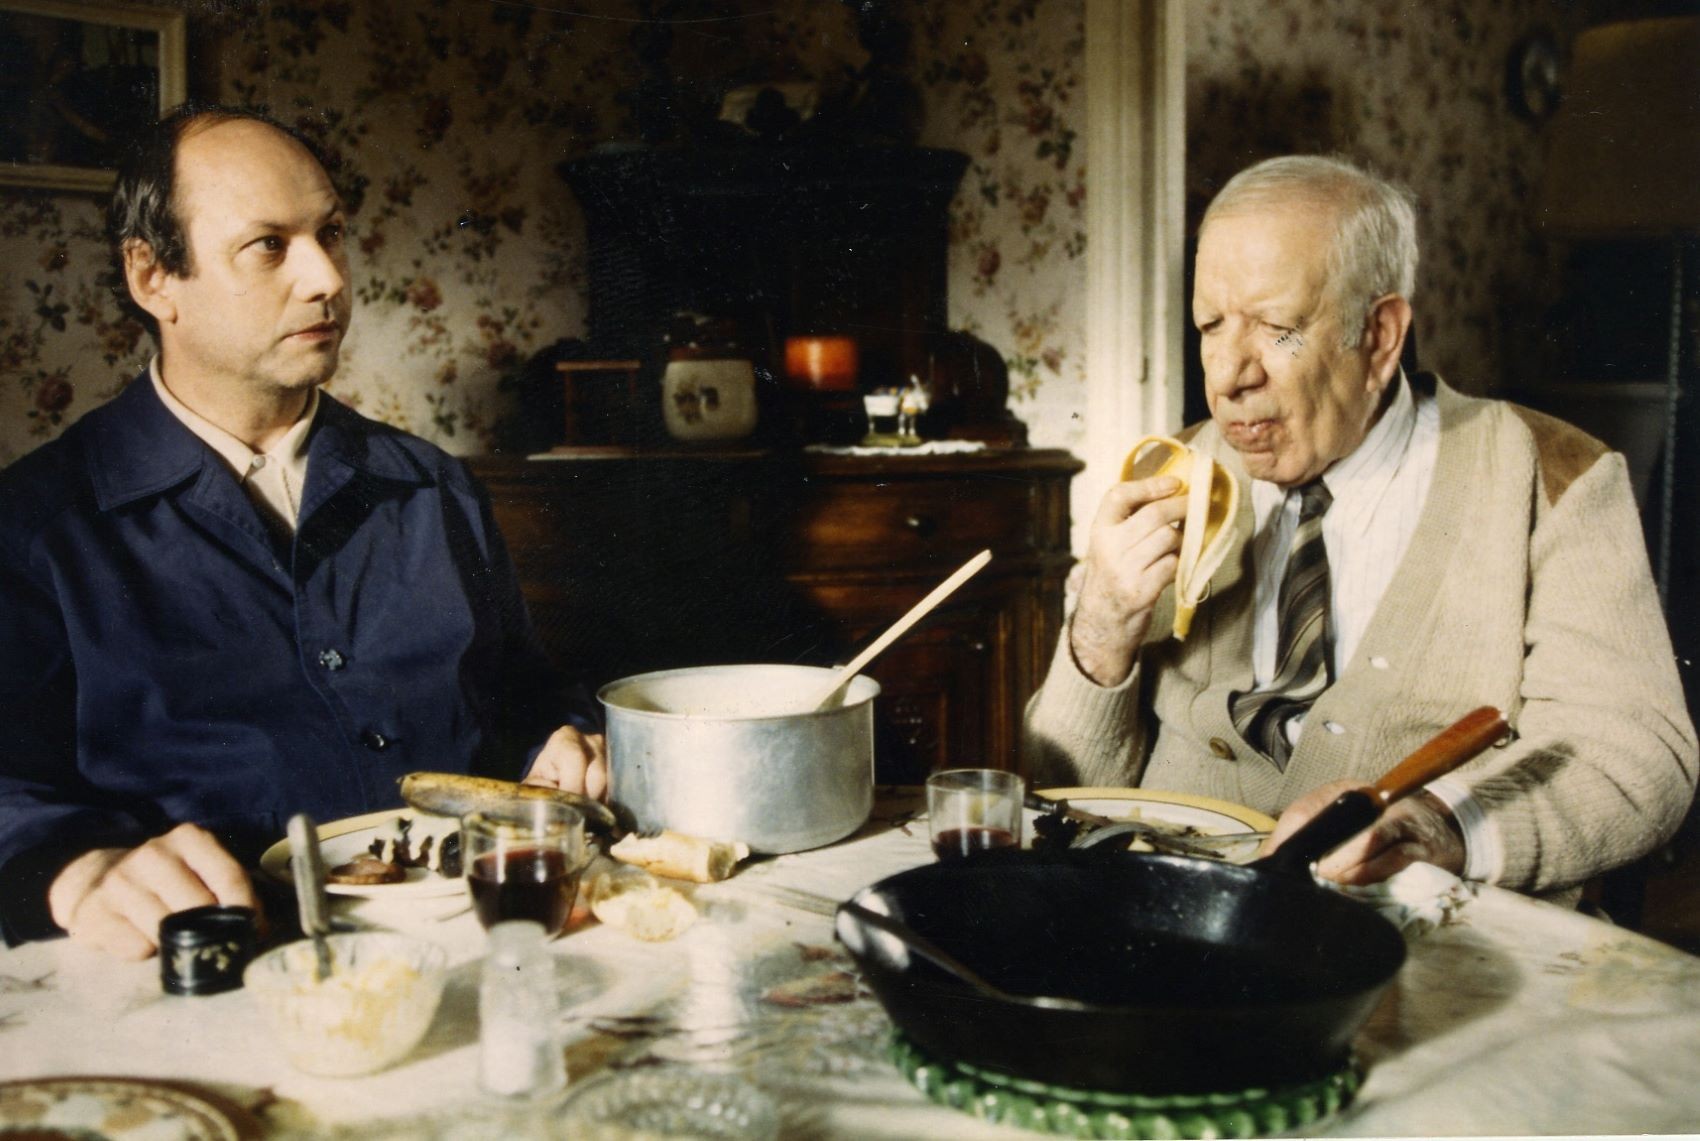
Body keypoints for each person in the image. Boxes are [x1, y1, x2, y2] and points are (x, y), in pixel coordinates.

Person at [0, 104, 608, 959]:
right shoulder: (36, 523)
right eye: (270, 245)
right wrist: (79, 871)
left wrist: (560, 735)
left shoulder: (435, 488)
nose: (326, 276)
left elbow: (524, 696)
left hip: (478, 945)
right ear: (152, 278)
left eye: (331, 232)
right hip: (214, 974)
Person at [1024, 154, 1697, 901]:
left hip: (1421, 938)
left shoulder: (1551, 475)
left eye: (1277, 330)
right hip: (1180, 923)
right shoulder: (1175, 474)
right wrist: (1100, 635)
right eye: (1210, 326)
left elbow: (1638, 754)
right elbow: (1067, 797)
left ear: (1378, 337)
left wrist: (1445, 824)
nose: (1227, 376)